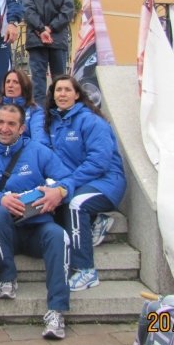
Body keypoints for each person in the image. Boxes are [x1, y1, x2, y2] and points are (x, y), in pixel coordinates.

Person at [0, 104, 74, 340]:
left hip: (39, 228)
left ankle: (56, 310)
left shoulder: (38, 151)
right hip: (5, 233)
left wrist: (60, 191)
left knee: (59, 236)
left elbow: (67, 178)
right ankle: (7, 277)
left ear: (22, 127)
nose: (4, 129)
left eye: (11, 124)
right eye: (0, 122)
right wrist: (0, 199)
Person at [44, 74, 127, 291]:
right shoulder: (54, 122)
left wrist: (67, 184)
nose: (62, 94)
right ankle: (94, 222)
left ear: (77, 95)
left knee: (76, 204)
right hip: (80, 183)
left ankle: (86, 270)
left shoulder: (91, 121)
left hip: (106, 182)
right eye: (58, 90)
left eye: (67, 90)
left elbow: (99, 162)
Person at [23, 0, 76, 104]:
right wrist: (51, 28)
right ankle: (59, 109)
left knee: (38, 79)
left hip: (36, 39)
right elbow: (67, 13)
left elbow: (28, 11)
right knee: (60, 80)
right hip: (57, 40)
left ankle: (39, 114)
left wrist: (41, 29)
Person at [0, 70, 47, 149]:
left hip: (25, 154)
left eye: (15, 82)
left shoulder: (35, 111)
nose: (10, 85)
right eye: (7, 82)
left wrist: (36, 153)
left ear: (25, 86)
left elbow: (39, 134)